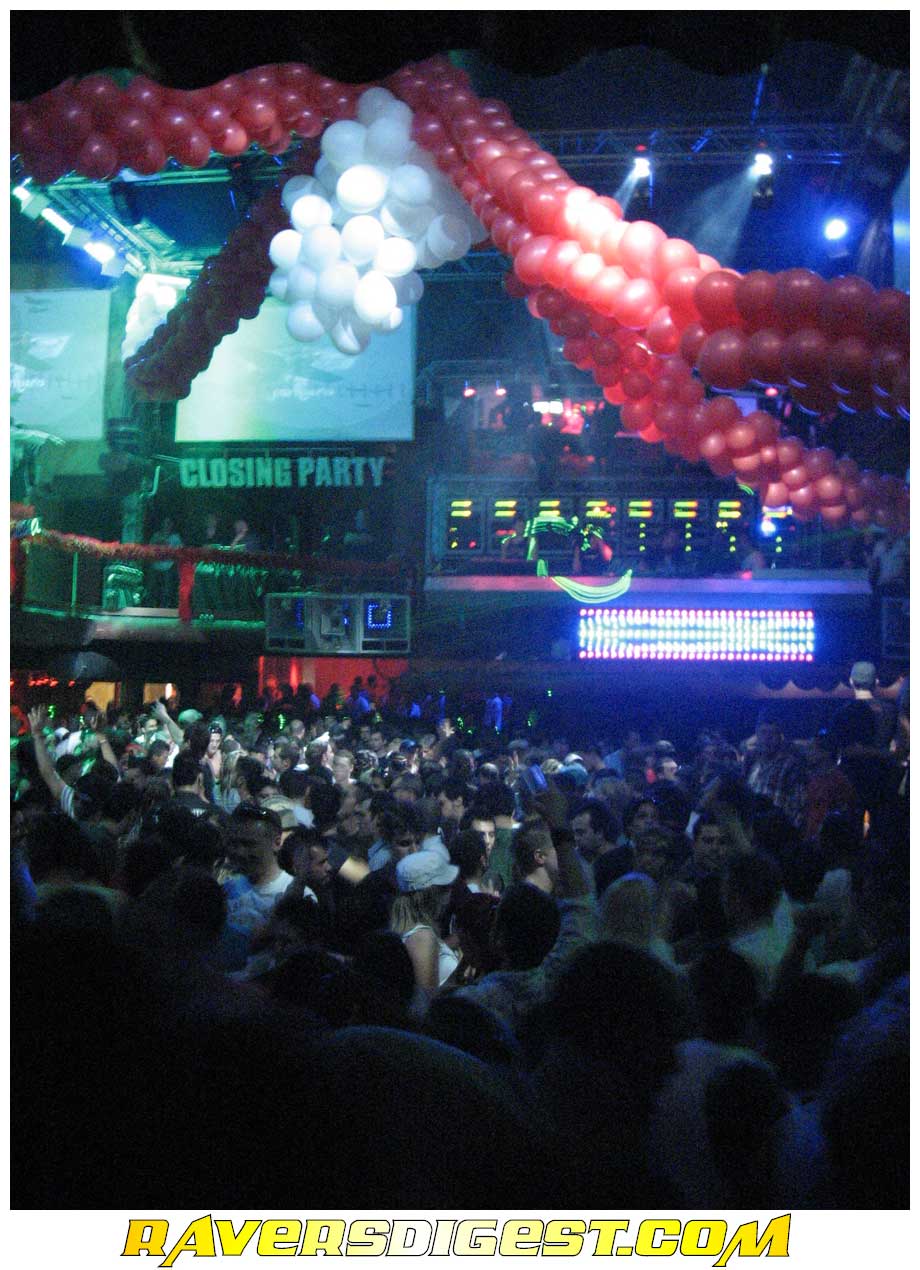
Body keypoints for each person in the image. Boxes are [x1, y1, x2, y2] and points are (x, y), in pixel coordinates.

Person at [390, 849, 460, 1004]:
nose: (450, 892)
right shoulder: (422, 937)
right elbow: (425, 1003)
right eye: (445, 887)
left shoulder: (416, 933)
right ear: (431, 894)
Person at [146, 515, 181, 607]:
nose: (167, 525)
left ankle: (165, 607)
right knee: (153, 589)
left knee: (167, 590)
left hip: (169, 566)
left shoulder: (175, 537)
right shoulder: (156, 536)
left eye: (169, 523)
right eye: (165, 523)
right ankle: (151, 606)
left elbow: (180, 551)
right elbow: (149, 549)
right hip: (155, 566)